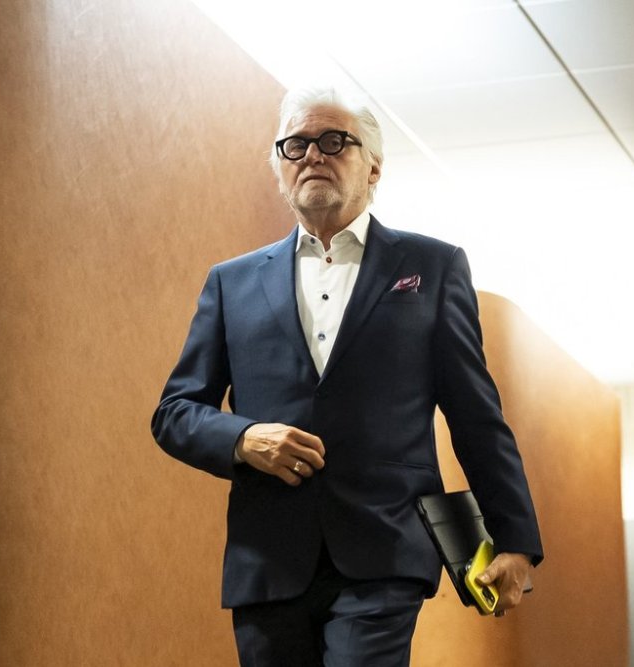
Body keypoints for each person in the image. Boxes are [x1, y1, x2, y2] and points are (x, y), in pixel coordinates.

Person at [151, 87, 542, 666]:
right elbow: (175, 412)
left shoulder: (431, 268)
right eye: (296, 145)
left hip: (384, 551)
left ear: (374, 167)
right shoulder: (230, 284)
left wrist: (514, 540)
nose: (313, 155)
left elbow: (475, 413)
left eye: (334, 141)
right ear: (281, 170)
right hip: (268, 560)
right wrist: (242, 439)